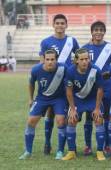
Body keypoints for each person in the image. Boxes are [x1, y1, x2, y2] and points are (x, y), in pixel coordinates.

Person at [39, 14, 80, 155]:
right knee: (50, 113)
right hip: (52, 83)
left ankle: (69, 145)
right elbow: (41, 63)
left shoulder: (72, 41)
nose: (60, 25)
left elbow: (78, 58)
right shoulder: (46, 42)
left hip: (67, 82)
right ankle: (47, 142)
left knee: (68, 113)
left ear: (66, 25)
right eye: (57, 23)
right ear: (53, 25)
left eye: (62, 23)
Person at [19, 49, 67, 160]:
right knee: (31, 121)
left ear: (57, 60)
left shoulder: (63, 68)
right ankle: (28, 152)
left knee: (60, 120)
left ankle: (60, 151)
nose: (50, 62)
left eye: (52, 59)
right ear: (43, 60)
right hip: (41, 99)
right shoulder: (36, 70)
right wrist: (31, 99)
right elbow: (31, 84)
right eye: (47, 59)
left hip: (59, 98)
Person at [62, 48, 106, 161]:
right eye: (82, 59)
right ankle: (71, 152)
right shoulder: (70, 71)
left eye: (87, 58)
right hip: (78, 100)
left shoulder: (96, 70)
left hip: (92, 100)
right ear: (76, 60)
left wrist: (97, 108)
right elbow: (69, 91)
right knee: (71, 120)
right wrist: (72, 109)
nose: (85, 61)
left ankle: (100, 152)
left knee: (99, 119)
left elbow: (100, 90)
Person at [82, 21, 111, 155]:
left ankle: (107, 145)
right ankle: (87, 146)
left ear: (104, 32)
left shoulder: (110, 48)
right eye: (96, 30)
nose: (98, 32)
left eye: (101, 30)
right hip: (89, 89)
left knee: (106, 116)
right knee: (89, 117)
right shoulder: (84, 49)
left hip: (107, 87)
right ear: (91, 32)